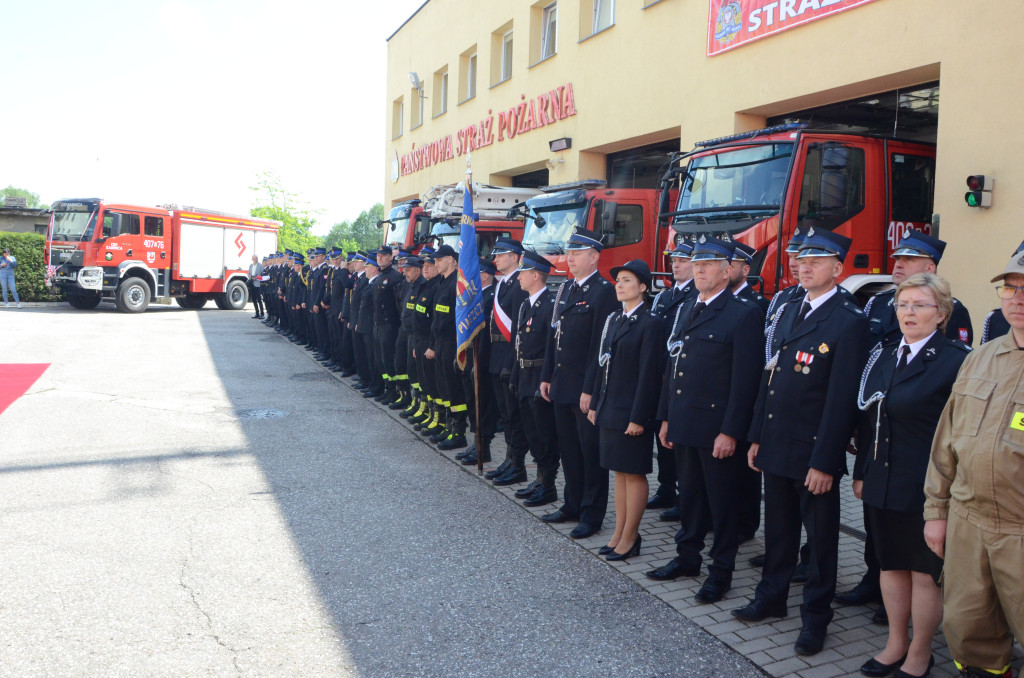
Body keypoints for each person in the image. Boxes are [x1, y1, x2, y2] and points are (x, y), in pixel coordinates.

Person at [734, 227, 869, 658]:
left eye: (815, 261)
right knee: (779, 530)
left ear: (838, 268)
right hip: (777, 443)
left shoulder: (849, 321)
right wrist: (757, 436)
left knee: (822, 539)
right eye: (800, 261)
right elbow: (769, 378)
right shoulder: (792, 309)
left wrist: (826, 461)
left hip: (813, 452)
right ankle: (771, 598)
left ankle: (815, 617)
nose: (803, 266)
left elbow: (841, 400)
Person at [852, 273, 967, 678]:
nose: (909, 312)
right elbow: (870, 419)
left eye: (920, 305)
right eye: (903, 304)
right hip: (883, 482)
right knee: (890, 566)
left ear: (942, 313)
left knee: (923, 575)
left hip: (926, 489)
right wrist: (862, 470)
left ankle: (920, 652)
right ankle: (895, 643)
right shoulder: (885, 354)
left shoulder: (957, 360)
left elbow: (959, 437)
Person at [923, 252, 1024, 678]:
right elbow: (947, 441)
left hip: (1020, 531)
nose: (1017, 298)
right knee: (968, 627)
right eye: (1010, 288)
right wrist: (936, 512)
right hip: (968, 523)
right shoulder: (980, 358)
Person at [645, 237, 763, 603]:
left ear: (728, 271)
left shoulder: (743, 314)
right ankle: (687, 557)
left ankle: (721, 571)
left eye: (708, 264)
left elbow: (745, 383)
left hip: (716, 430)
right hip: (684, 422)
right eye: (696, 263)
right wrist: (665, 418)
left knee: (722, 504)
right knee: (691, 497)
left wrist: (730, 431)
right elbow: (673, 367)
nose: (699, 269)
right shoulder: (687, 308)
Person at [539, 228, 619, 539]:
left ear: (594, 256)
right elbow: (554, 337)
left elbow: (602, 349)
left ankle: (591, 513)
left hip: (584, 390)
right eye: (568, 252)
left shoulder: (604, 292)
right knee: (569, 451)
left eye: (576, 252)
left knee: (590, 454)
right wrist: (547, 375)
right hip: (561, 385)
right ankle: (571, 504)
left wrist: (590, 389)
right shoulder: (567, 290)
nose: (569, 258)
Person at [587, 259, 665, 561]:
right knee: (618, 473)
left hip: (631, 412)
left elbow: (649, 374)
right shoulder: (615, 319)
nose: (619, 285)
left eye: (627, 280)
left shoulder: (651, 323)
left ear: (643, 287)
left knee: (634, 474)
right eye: (618, 280)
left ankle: (631, 536)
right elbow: (602, 364)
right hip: (611, 408)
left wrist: (639, 417)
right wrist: (595, 403)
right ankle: (619, 532)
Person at [648, 240, 697, 519]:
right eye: (674, 260)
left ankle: (682, 496)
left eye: (682, 260)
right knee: (661, 436)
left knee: (676, 440)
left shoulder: (694, 297)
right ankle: (666, 487)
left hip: (680, 375)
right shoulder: (664, 297)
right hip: (661, 376)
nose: (676, 265)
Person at [509, 250, 562, 506]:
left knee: (544, 434)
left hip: (540, 377)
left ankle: (548, 483)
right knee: (531, 431)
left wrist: (546, 378)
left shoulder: (550, 307)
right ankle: (540, 479)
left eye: (523, 272)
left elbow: (552, 348)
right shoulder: (525, 305)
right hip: (525, 375)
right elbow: (519, 343)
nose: (519, 277)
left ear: (536, 275)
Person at [864, 231, 973, 346]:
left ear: (929, 268)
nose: (898, 265)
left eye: (909, 259)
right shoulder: (878, 301)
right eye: (897, 258)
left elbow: (955, 358)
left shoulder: (950, 309)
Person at [485, 238, 531, 486]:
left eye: (501, 255)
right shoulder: (503, 283)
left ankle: (518, 464)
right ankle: (509, 460)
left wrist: (511, 362)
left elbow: (517, 328)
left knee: (514, 415)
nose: (496, 259)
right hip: (496, 354)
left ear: (514, 257)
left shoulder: (518, 285)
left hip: (509, 356)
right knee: (505, 413)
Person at [428, 244, 468, 450]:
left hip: (453, 342)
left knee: (454, 389)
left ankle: (459, 432)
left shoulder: (456, 283)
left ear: (452, 260)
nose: (436, 263)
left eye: (440, 259)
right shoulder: (441, 282)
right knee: (443, 387)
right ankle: (448, 425)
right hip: (441, 342)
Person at [248, 254, 265, 319]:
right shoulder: (251, 266)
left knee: (259, 299)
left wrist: (256, 278)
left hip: (257, 284)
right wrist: (249, 276)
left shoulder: (260, 266)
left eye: (254, 259)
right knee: (254, 299)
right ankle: (257, 313)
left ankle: (262, 313)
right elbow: (248, 274)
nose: (253, 260)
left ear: (257, 259)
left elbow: (262, 276)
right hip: (252, 283)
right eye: (252, 259)